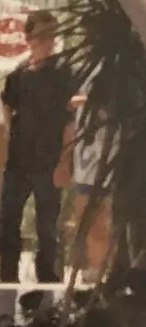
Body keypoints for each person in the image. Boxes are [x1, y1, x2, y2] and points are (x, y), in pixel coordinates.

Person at [0, 9, 76, 288]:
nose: (48, 41)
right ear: (29, 37)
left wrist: (65, 161)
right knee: (8, 221)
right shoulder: (19, 74)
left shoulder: (63, 72)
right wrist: (10, 131)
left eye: (52, 34)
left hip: (49, 159)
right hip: (18, 161)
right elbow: (7, 101)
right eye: (42, 34)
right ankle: (7, 280)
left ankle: (48, 284)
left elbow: (70, 119)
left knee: (47, 227)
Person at [58, 93, 114, 277]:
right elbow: (71, 121)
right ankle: (93, 269)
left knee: (104, 222)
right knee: (84, 221)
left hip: (112, 167)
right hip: (86, 169)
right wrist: (65, 162)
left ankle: (104, 271)